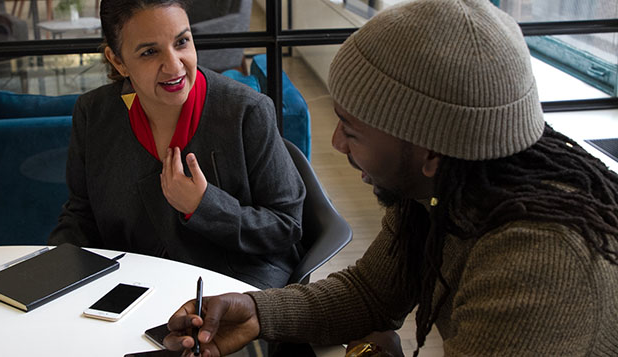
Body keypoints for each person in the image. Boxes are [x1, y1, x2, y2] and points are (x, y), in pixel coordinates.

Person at [163, 0, 618, 356]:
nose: (337, 142)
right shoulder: (438, 194)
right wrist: (257, 312)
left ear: (431, 151)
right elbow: (370, 293)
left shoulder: (539, 261)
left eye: (353, 130)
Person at [48, 0, 306, 289]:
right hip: (134, 286)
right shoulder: (94, 113)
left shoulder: (247, 111)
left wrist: (203, 206)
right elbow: (80, 215)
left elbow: (287, 226)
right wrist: (52, 275)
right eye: (149, 52)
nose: (174, 65)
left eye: (182, 42)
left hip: (233, 284)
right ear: (118, 61)